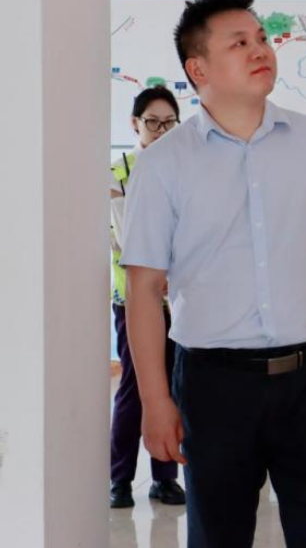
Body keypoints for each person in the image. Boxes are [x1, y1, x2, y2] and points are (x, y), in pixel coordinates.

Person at [121, 0, 306, 548]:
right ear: (198, 69)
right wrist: (156, 400)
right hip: (215, 384)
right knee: (218, 535)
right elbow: (143, 289)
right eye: (239, 43)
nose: (261, 50)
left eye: (261, 38)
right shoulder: (163, 164)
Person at [109, 86, 186, 509]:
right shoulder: (118, 173)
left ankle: (164, 478)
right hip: (135, 300)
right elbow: (128, 239)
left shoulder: (184, 170)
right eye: (153, 122)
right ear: (135, 124)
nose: (161, 131)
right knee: (133, 390)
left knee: (172, 387)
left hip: (179, 301)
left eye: (169, 123)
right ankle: (120, 479)